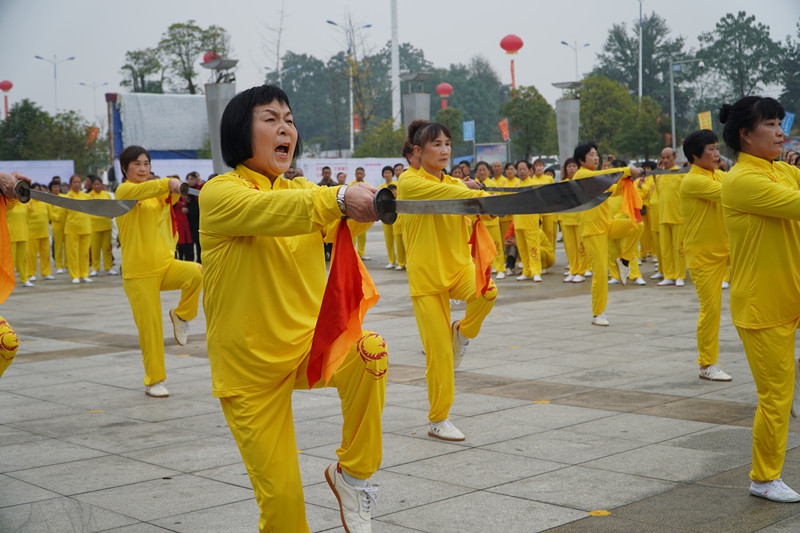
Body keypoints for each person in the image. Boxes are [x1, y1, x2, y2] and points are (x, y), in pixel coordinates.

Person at [200, 84, 387, 532]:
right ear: (239, 133)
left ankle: (353, 475)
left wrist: (375, 206)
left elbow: (325, 219)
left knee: (370, 351)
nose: (285, 128)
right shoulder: (220, 194)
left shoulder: (299, 189)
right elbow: (279, 208)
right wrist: (339, 198)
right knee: (284, 507)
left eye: (289, 120)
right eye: (270, 119)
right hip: (251, 372)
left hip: (307, 348)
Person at [720, 96, 800, 503]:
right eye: (770, 124)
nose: (779, 131)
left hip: (792, 293)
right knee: (775, 398)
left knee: (785, 389)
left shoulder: (780, 171)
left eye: (779, 123)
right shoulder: (741, 181)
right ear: (745, 135)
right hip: (764, 305)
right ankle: (764, 477)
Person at [398, 120, 496, 442]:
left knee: (488, 292)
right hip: (427, 278)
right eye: (436, 144)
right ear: (418, 151)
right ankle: (439, 418)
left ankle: (463, 332)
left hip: (458, 268)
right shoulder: (409, 182)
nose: (444, 150)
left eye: (448, 144)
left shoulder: (455, 183)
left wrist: (487, 204)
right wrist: (468, 191)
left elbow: (471, 203)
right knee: (439, 355)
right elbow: (447, 193)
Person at [115, 146, 203, 399]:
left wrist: (177, 187)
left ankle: (182, 315)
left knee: (196, 272)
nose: (143, 169)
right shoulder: (124, 192)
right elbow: (151, 188)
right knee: (151, 330)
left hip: (165, 265)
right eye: (137, 164)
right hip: (139, 273)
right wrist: (168, 182)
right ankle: (155, 380)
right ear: (124, 168)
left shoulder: (157, 194)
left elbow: (170, 195)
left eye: (146, 164)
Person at [679, 129, 732, 383]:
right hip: (704, 256)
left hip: (729, 249)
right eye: (711, 149)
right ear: (694, 155)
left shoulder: (719, 175)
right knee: (711, 309)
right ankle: (707, 364)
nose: (716, 154)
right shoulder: (692, 181)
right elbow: (732, 193)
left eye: (717, 148)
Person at [574, 142, 642, 326]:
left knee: (636, 225)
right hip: (592, 231)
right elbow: (602, 176)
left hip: (606, 225)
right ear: (581, 160)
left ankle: (624, 261)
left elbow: (614, 185)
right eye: (591, 155)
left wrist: (629, 177)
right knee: (600, 273)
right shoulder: (581, 175)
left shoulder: (599, 178)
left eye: (596, 154)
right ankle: (599, 313)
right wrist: (627, 170)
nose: (596, 158)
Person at [656, 147, 686, 287]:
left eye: (668, 157)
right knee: (665, 249)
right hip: (663, 217)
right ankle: (668, 275)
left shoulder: (681, 174)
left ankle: (679, 275)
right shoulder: (659, 175)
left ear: (674, 157)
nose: (666, 160)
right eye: (663, 157)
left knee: (678, 249)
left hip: (678, 217)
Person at [513, 160, 543, 282]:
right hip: (518, 221)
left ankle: (536, 271)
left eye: (524, 169)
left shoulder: (534, 184)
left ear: (529, 170)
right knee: (522, 249)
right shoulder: (515, 186)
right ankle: (526, 271)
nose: (521, 172)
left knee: (533, 247)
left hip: (530, 222)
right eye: (519, 169)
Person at [559, 158, 587, 283]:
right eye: (568, 166)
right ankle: (573, 270)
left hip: (579, 218)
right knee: (570, 248)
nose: (571, 168)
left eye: (573, 166)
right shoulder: (562, 183)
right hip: (566, 218)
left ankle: (581, 271)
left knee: (581, 246)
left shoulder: (581, 181)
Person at [64, 174, 93, 284]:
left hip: (86, 228)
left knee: (84, 253)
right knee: (73, 254)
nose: (77, 184)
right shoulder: (67, 197)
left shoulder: (86, 196)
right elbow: (62, 214)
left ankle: (84, 274)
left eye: (79, 182)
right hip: (72, 229)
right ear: (71, 184)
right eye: (75, 182)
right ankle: (75, 275)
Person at [88, 176, 117, 276]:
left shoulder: (107, 195)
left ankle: (108, 267)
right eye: (94, 184)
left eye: (98, 184)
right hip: (94, 226)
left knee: (107, 248)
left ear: (102, 184)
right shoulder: (89, 196)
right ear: (92, 185)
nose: (97, 186)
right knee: (95, 249)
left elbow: (111, 207)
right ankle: (95, 268)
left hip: (106, 225)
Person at [26, 184, 52, 282]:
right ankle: (31, 273)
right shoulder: (28, 203)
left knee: (45, 254)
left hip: (44, 232)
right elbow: (25, 217)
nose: (37, 192)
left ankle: (46, 273)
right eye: (35, 190)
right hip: (32, 233)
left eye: (39, 190)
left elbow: (49, 216)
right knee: (32, 255)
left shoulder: (44, 202)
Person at [350, 167, 372, 260]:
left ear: (364, 175)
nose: (359, 175)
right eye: (357, 173)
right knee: (353, 234)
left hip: (363, 213)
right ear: (355, 174)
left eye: (361, 173)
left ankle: (361, 253)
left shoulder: (367, 186)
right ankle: (353, 253)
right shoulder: (351, 185)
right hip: (354, 213)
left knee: (362, 234)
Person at [378, 165, 398, 268]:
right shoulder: (381, 187)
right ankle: (391, 260)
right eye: (385, 173)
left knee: (399, 239)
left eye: (389, 173)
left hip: (396, 215)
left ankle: (402, 261)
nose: (387, 175)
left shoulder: (397, 185)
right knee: (388, 239)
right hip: (386, 215)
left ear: (392, 174)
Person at [47, 180, 67, 274]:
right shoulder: (50, 199)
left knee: (67, 246)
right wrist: (57, 217)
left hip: (67, 225)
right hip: (56, 226)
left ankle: (67, 264)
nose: (56, 189)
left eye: (58, 187)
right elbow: (49, 213)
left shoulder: (64, 197)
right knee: (58, 247)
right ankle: (59, 265)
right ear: (51, 189)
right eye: (54, 187)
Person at [184, 171, 202, 263]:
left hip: (198, 219)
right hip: (188, 220)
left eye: (193, 179)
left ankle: (200, 260)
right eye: (189, 179)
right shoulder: (185, 190)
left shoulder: (199, 189)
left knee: (199, 243)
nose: (191, 181)